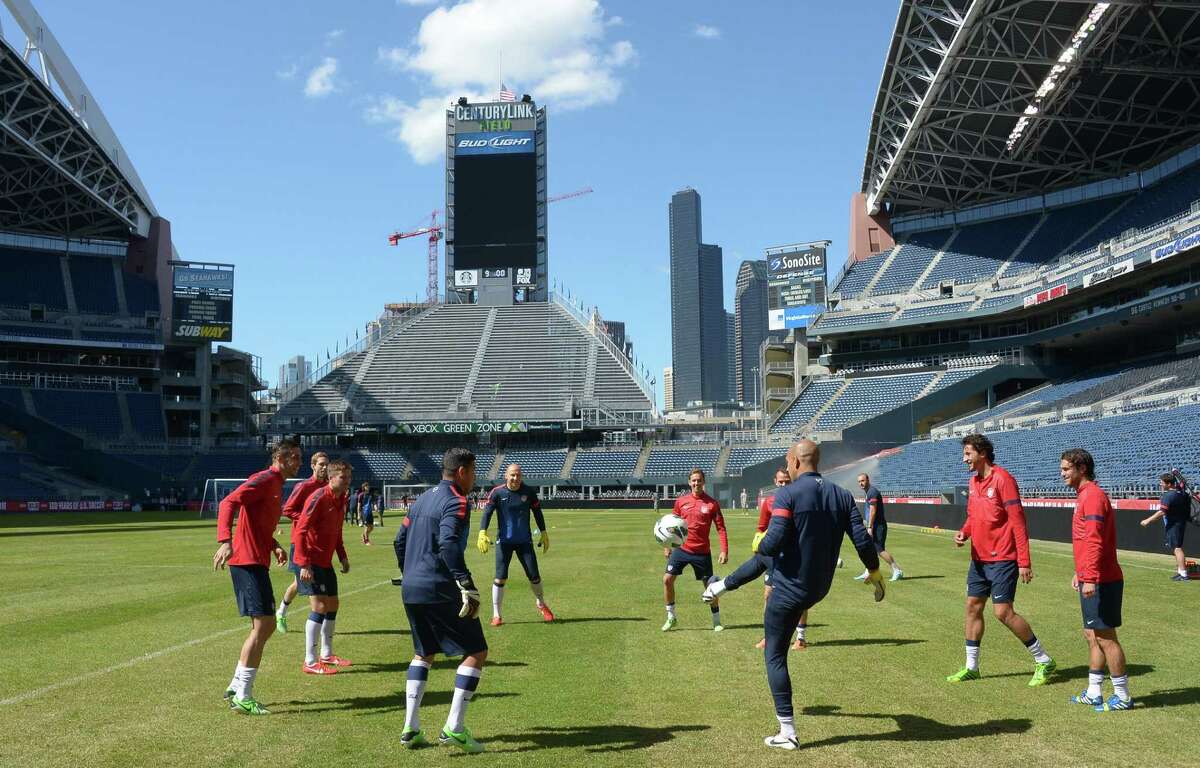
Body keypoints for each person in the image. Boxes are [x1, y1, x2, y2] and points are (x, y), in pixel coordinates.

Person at [702, 439, 884, 750]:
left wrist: (759, 541)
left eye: (788, 462)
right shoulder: (842, 495)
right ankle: (719, 587)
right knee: (765, 561)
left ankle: (787, 732)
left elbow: (771, 544)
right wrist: (876, 575)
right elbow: (863, 542)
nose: (787, 468)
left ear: (796, 462)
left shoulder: (786, 493)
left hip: (789, 589)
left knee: (774, 654)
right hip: (818, 586)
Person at [394, 448, 488, 753]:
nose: (474, 478)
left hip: (412, 587)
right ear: (461, 471)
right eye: (473, 471)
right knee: (476, 651)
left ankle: (411, 727)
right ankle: (455, 728)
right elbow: (448, 542)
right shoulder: (456, 500)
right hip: (438, 586)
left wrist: (408, 571)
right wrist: (465, 581)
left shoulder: (422, 498)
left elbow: (400, 540)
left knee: (423, 653)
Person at [948, 433, 1055, 685]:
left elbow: (1018, 521)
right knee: (972, 607)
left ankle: (1043, 660)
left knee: (1003, 612)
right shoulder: (973, 482)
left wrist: (1024, 561)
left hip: (1003, 558)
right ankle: (971, 667)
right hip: (979, 560)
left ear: (982, 453)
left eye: (968, 454)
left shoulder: (1003, 479)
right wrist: (965, 531)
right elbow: (975, 516)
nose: (964, 459)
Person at [213, 438, 302, 716]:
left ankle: (236, 685)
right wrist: (225, 540)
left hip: (255, 559)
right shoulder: (265, 479)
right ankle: (243, 694)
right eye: (296, 457)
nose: (300, 462)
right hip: (246, 560)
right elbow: (229, 501)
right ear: (281, 457)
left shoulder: (276, 484)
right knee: (264, 624)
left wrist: (274, 545)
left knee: (264, 625)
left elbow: (259, 523)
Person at [1060, 448, 1133, 711]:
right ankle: (1094, 692)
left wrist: (1089, 576)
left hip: (1102, 579)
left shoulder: (1092, 496)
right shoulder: (1085, 495)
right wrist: (1081, 572)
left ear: (1081, 468)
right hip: (1094, 576)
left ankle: (1123, 696)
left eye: (1066, 469)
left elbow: (1094, 539)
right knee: (1092, 634)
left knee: (1105, 637)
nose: (1062, 474)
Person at [294, 458, 353, 674]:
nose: (347, 481)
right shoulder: (318, 497)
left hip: (325, 561)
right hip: (311, 561)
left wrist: (343, 556)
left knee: (333, 604)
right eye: (343, 477)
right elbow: (300, 530)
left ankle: (326, 655)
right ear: (331, 477)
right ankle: (310, 661)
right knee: (318, 607)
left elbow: (336, 531)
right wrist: (303, 564)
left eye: (349, 477)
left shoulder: (341, 498)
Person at [477, 463, 554, 626]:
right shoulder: (497, 492)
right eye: (512, 475)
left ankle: (540, 603)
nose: (515, 478)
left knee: (535, 577)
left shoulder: (529, 492)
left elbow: (538, 513)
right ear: (506, 476)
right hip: (504, 542)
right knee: (500, 578)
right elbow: (487, 512)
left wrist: (544, 532)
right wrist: (482, 532)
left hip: (524, 542)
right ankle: (496, 615)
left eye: (518, 475)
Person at [662, 468, 728, 632]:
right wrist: (668, 546)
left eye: (699, 480)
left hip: (702, 552)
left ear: (704, 482)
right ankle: (671, 617)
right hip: (681, 549)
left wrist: (724, 550)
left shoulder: (712, 503)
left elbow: (721, 528)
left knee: (710, 588)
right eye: (693, 480)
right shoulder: (681, 501)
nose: (696, 483)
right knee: (667, 579)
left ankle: (716, 620)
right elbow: (671, 526)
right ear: (689, 482)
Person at [753, 469, 810, 651]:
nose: (784, 485)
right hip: (774, 557)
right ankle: (768, 637)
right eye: (781, 482)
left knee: (800, 598)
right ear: (775, 482)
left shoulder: (799, 501)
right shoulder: (769, 502)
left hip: (797, 556)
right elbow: (761, 528)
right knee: (768, 596)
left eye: (787, 481)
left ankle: (800, 638)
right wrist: (759, 547)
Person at [276, 452, 329, 633]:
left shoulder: (329, 487)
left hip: (318, 544)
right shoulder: (304, 486)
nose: (324, 467)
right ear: (313, 466)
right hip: (300, 542)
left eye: (326, 464)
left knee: (299, 584)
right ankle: (316, 627)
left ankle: (281, 610)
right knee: (309, 586)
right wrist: (308, 519)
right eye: (321, 464)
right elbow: (287, 509)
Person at [1140, 473, 1193, 581]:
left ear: (1169, 484)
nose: (1160, 484)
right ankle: (1180, 572)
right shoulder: (1181, 492)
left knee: (1177, 548)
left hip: (1174, 524)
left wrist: (1148, 520)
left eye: (1162, 482)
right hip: (1180, 522)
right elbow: (1181, 486)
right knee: (1175, 547)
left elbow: (1162, 512)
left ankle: (1183, 574)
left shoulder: (1168, 495)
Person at [853, 473, 903, 581]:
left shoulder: (872, 492)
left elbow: (873, 510)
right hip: (874, 526)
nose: (861, 483)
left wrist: (869, 527)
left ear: (868, 480)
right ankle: (868, 572)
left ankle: (897, 570)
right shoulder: (868, 492)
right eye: (859, 481)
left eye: (862, 480)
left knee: (880, 550)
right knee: (868, 549)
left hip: (878, 526)